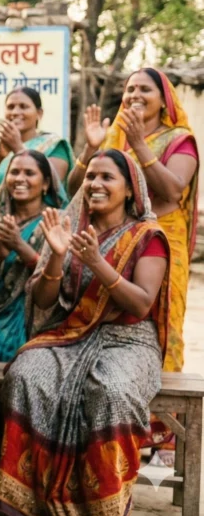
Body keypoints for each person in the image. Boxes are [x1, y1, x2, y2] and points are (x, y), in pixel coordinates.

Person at [0, 149, 170, 516]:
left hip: (129, 340)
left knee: (110, 391)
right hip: (71, 335)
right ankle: (30, 498)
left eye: (107, 177)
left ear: (130, 190)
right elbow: (44, 300)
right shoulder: (68, 228)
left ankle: (102, 505)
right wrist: (57, 256)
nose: (95, 184)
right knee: (26, 376)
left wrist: (96, 262)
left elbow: (141, 304)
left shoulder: (146, 236)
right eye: (90, 176)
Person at [68, 68, 198, 374]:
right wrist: (90, 148)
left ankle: (166, 395)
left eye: (145, 89)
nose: (135, 95)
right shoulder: (114, 139)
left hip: (162, 241)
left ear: (164, 101)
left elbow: (173, 191)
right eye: (130, 89)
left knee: (163, 317)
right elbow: (75, 191)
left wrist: (139, 144)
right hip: (116, 236)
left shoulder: (180, 140)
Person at [0, 150, 67, 459]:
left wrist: (20, 247)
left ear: (46, 183)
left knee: (8, 352)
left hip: (35, 313)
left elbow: (60, 279)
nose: (19, 179)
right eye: (14, 172)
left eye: (29, 173)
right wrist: (2, 254)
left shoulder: (57, 221)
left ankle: (7, 446)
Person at [0, 87, 72, 203]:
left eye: (23, 107)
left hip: (39, 215)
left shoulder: (54, 146)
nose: (15, 112)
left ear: (39, 113)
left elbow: (53, 187)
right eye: (10, 107)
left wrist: (18, 148)